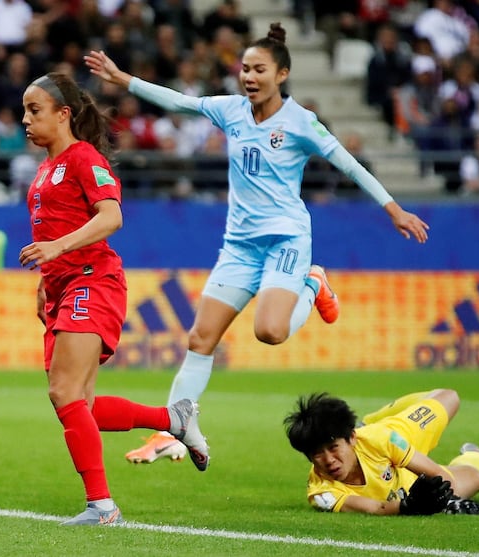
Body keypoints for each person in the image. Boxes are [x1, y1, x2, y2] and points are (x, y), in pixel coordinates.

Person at [84, 22, 430, 465]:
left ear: (281, 74)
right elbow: (180, 102)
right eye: (244, 69)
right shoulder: (231, 110)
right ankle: (171, 429)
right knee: (200, 337)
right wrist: (124, 79)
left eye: (258, 69)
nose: (248, 77)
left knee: (269, 331)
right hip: (240, 247)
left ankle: (314, 285)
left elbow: (349, 164)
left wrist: (393, 209)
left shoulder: (301, 122)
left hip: (286, 239)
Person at [17, 72, 209, 526]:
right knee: (76, 403)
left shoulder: (84, 158)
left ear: (64, 115)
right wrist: (46, 281)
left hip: (93, 280)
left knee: (64, 392)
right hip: (64, 285)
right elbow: (54, 229)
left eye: (34, 110)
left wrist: (58, 250)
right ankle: (174, 418)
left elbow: (112, 216)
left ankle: (102, 506)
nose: (25, 119)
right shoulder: (45, 168)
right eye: (25, 110)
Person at [283, 390, 479, 515]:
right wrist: (410, 507)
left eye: (334, 447)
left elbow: (437, 474)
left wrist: (449, 502)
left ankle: (374, 419)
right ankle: (475, 456)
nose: (328, 460)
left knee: (449, 396)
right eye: (316, 454)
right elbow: (374, 508)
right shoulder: (322, 493)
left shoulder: (381, 438)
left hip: (396, 437)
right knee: (477, 479)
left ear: (351, 438)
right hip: (404, 481)